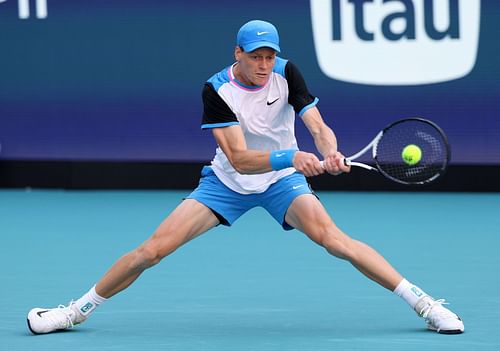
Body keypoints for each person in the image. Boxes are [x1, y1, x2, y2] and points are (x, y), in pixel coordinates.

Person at [27, 20, 464, 335]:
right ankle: (76, 311)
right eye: (255, 56)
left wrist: (329, 152)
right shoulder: (216, 90)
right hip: (228, 184)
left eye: (269, 55)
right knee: (152, 250)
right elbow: (238, 158)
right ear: (237, 53)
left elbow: (317, 125)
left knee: (335, 240)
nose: (264, 63)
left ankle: (424, 304)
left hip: (281, 184)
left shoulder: (286, 73)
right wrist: (293, 157)